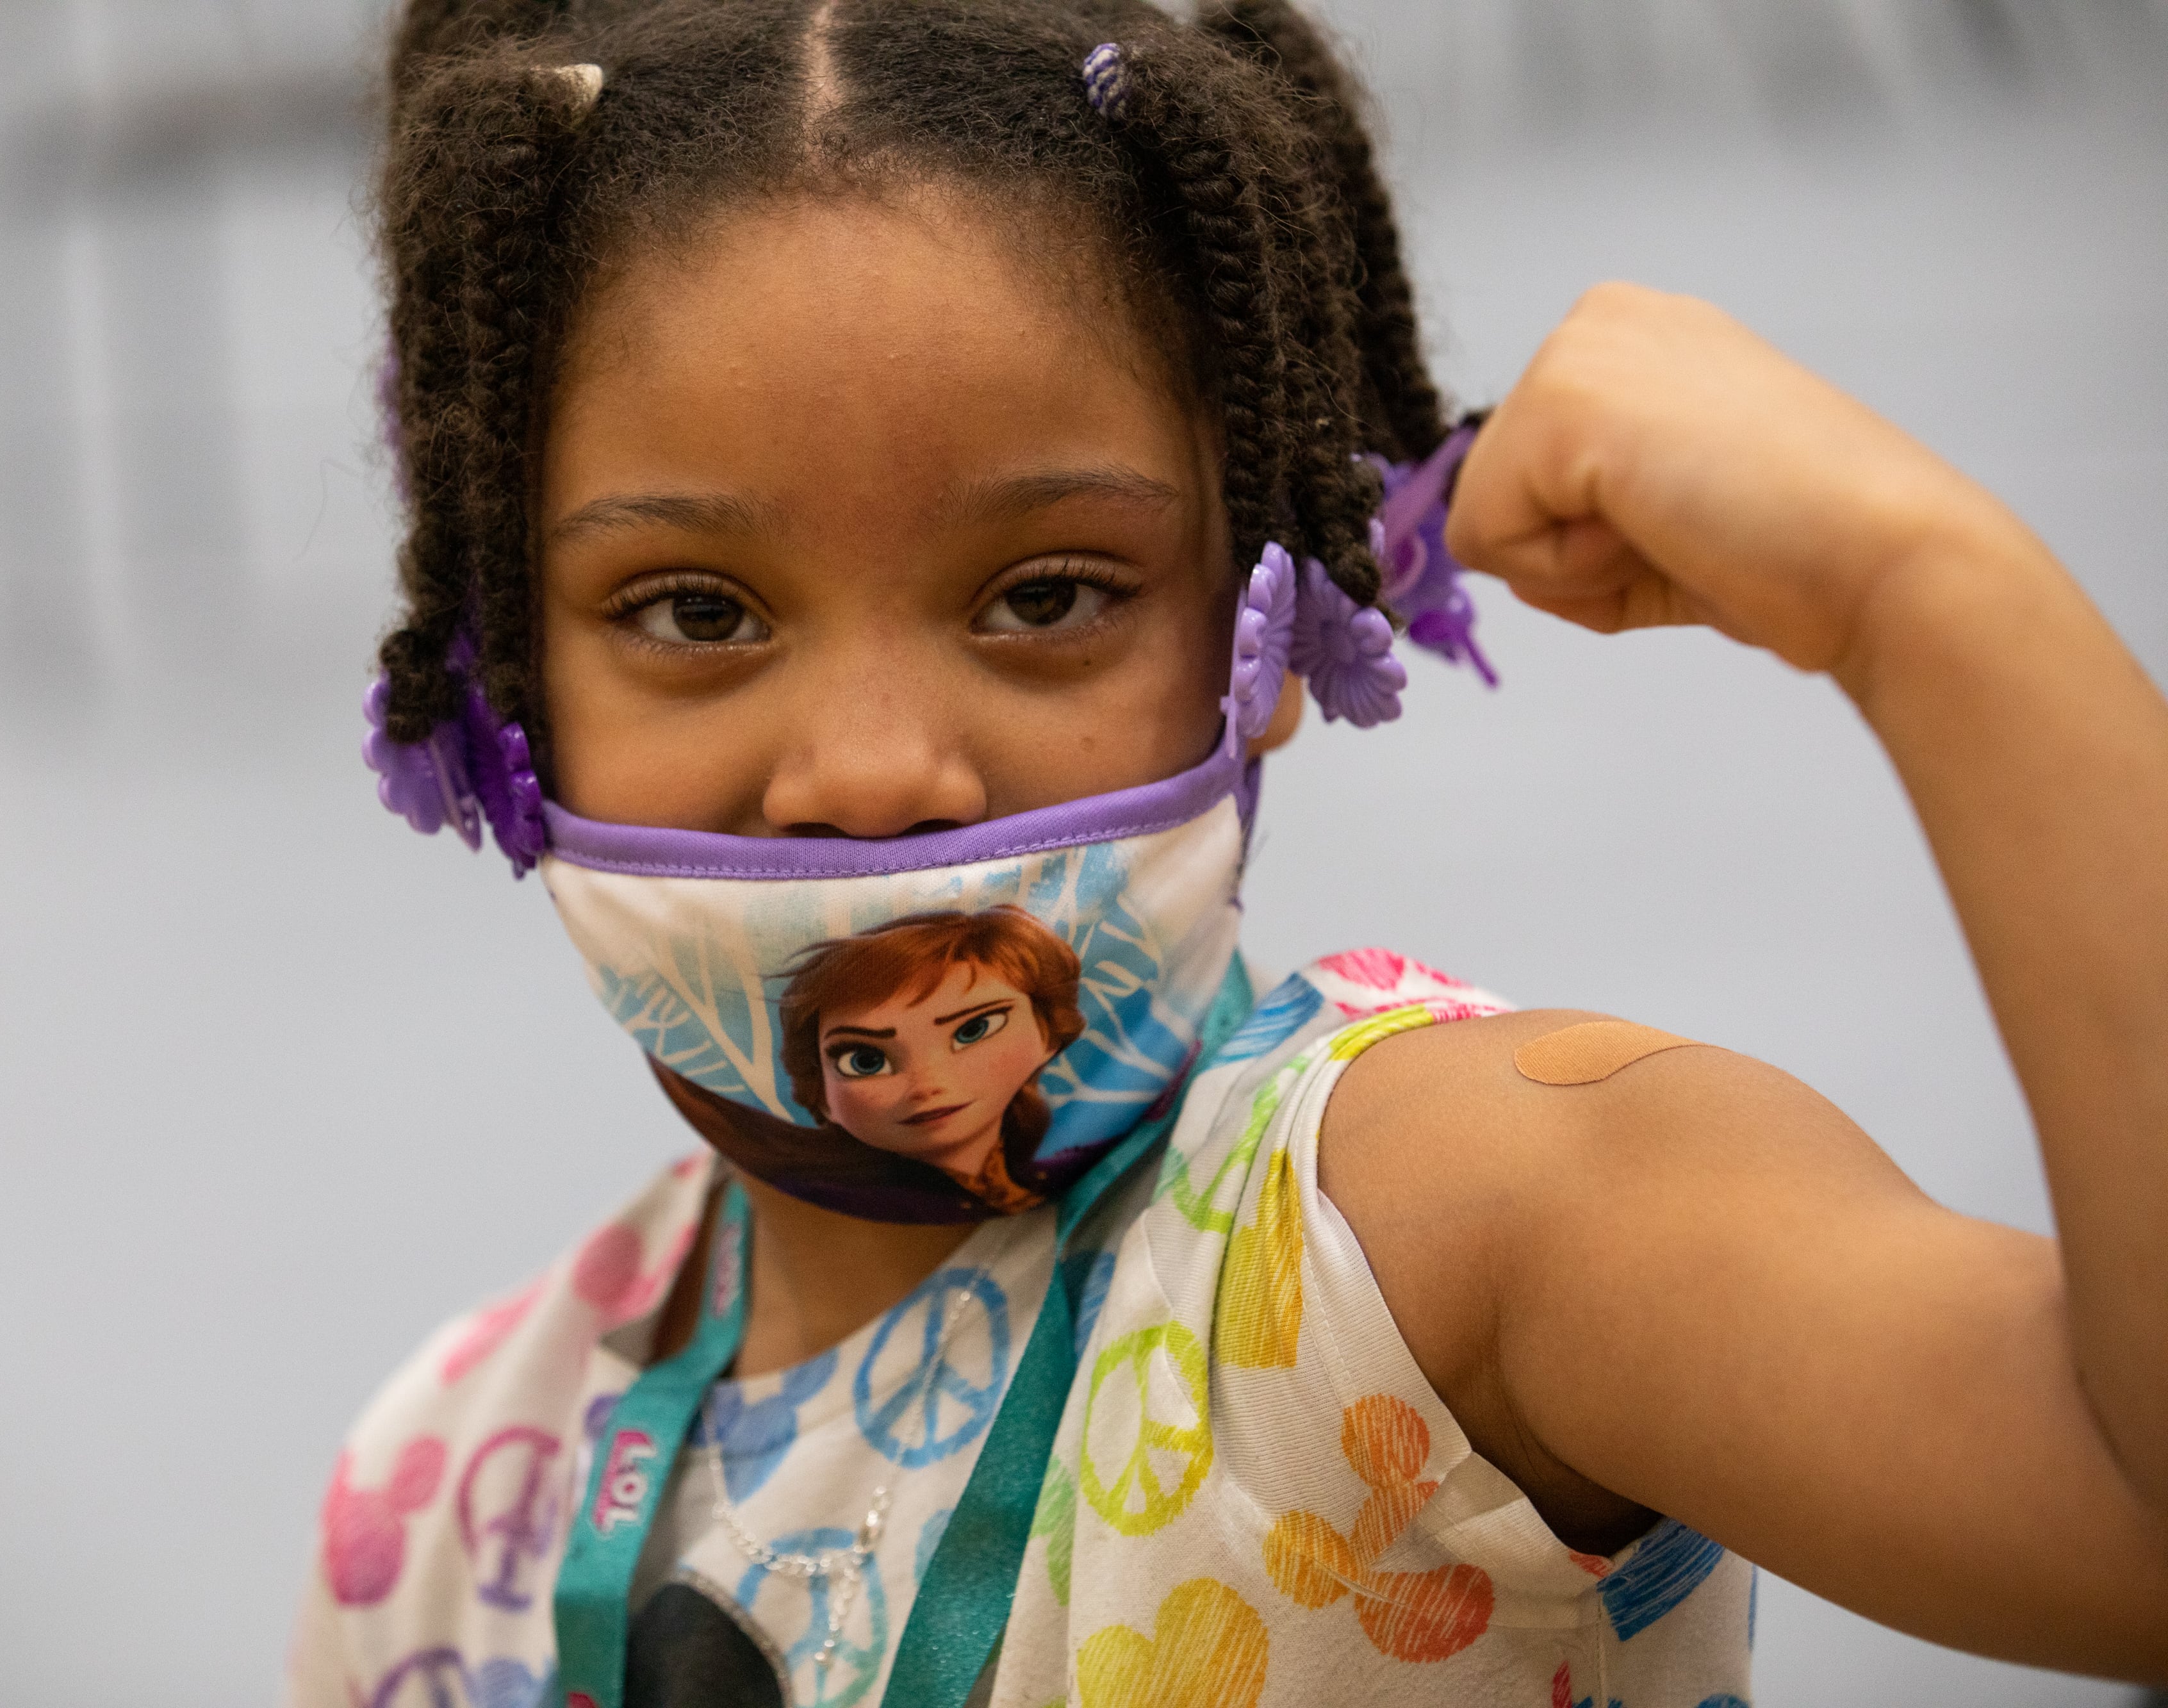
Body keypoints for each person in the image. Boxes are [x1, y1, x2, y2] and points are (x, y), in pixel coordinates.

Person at [295, 1, 2168, 1704]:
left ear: (1261, 627)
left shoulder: (1437, 1254)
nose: (875, 775)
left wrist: (1926, 598)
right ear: (496, 672)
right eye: (694, 608)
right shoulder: (450, 1487)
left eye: (1045, 592)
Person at [780, 907, 1088, 1214]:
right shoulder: (826, 1198)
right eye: (865, 1061)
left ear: (1048, 1031)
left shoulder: (1070, 1158)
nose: (927, 1085)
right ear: (822, 1096)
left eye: (973, 1030)